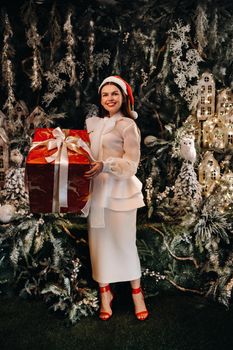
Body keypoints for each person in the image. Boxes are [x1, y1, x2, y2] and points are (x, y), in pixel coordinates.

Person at [85, 76, 148, 321]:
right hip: (96, 192)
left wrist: (106, 165)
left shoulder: (127, 125)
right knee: (99, 244)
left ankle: (137, 294)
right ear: (100, 99)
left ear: (123, 97)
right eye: (105, 94)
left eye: (114, 94)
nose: (109, 98)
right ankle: (105, 294)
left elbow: (132, 164)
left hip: (121, 192)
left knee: (124, 242)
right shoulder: (92, 124)